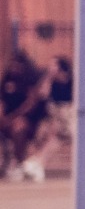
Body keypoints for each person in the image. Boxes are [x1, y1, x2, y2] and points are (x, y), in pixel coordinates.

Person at [1, 50, 45, 179]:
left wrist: (12, 117)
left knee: (19, 127)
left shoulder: (30, 80)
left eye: (17, 64)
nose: (13, 67)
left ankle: (19, 163)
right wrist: (3, 116)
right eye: (12, 64)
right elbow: (2, 100)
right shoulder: (7, 79)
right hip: (7, 118)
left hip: (26, 120)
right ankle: (5, 161)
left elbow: (30, 104)